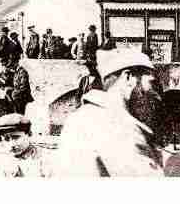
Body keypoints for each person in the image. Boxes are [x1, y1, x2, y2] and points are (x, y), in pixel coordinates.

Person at [54, 48, 164, 176]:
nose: (157, 95)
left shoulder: (80, 117)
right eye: (151, 83)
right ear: (128, 78)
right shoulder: (120, 128)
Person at [0, 113, 54, 178]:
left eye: (16, 137)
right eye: (6, 139)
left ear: (29, 135)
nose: (12, 144)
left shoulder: (44, 161)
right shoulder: (3, 163)